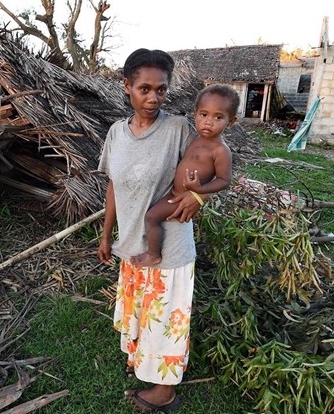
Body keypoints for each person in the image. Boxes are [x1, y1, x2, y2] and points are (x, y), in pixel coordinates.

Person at [97, 48, 206, 413]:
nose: (153, 98)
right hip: (131, 244)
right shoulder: (116, 133)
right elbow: (113, 185)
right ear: (127, 86)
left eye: (161, 89)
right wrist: (106, 234)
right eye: (144, 88)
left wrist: (198, 196)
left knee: (163, 320)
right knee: (141, 313)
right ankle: (139, 361)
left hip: (169, 247)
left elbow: (206, 165)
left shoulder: (177, 129)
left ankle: (164, 391)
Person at [130, 84, 239, 267]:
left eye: (218, 117)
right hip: (173, 191)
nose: (208, 122)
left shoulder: (220, 150)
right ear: (195, 114)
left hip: (180, 198)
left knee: (151, 217)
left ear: (231, 121)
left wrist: (200, 191)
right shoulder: (195, 138)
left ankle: (153, 254)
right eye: (204, 115)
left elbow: (224, 180)